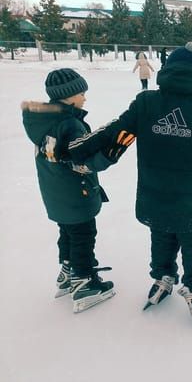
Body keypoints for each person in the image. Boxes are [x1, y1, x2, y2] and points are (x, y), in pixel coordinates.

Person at [68, 43, 192, 326]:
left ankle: (162, 279)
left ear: (168, 70)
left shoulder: (146, 103)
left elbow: (112, 132)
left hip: (154, 194)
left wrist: (75, 151)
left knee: (162, 236)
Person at [21, 68, 117, 313]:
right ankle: (84, 281)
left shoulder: (44, 122)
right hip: (76, 194)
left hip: (55, 193)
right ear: (69, 95)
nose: (85, 98)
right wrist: (109, 151)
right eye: (81, 93)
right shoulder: (70, 124)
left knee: (67, 232)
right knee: (84, 235)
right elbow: (83, 160)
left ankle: (68, 271)